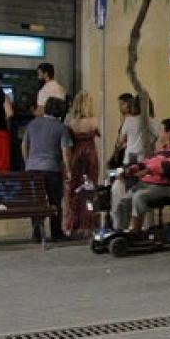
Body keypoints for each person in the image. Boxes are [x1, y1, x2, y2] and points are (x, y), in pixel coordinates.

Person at [112, 119, 170, 234]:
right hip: (149, 183)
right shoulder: (162, 150)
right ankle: (120, 231)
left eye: (161, 130)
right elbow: (147, 162)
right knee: (125, 200)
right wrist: (130, 170)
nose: (159, 134)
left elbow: (167, 167)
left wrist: (148, 169)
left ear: (169, 133)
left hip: (167, 186)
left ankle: (136, 232)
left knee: (139, 197)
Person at [23, 97, 73, 242]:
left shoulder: (32, 124)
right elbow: (65, 151)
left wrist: (28, 161)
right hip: (52, 169)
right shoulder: (61, 127)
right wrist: (68, 169)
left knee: (37, 201)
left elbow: (24, 145)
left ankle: (37, 232)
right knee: (54, 201)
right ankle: (56, 233)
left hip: (33, 169)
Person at [64, 90, 100, 237]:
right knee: (90, 189)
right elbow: (98, 134)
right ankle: (89, 223)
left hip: (76, 155)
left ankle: (74, 223)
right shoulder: (94, 121)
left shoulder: (70, 121)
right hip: (90, 155)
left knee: (74, 189)